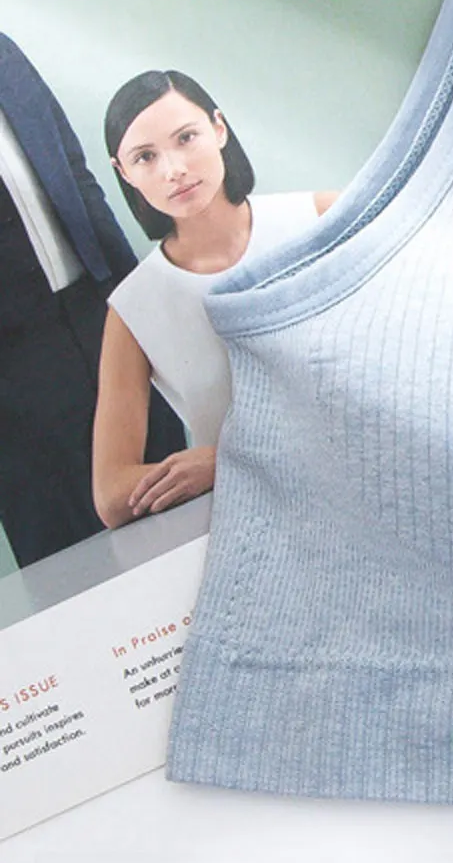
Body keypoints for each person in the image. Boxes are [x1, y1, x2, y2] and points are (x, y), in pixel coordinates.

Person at [93, 69, 336, 528]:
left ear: (218, 128)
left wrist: (228, 459)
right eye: (145, 157)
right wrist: (221, 465)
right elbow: (111, 495)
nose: (173, 170)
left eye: (186, 138)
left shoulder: (320, 219)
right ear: (123, 173)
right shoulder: (133, 309)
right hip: (263, 527)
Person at [0, 34, 185, 566]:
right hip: (13, 357)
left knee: (164, 481)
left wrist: (133, 296)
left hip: (95, 307)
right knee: (61, 534)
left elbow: (74, 171)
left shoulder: (5, 53)